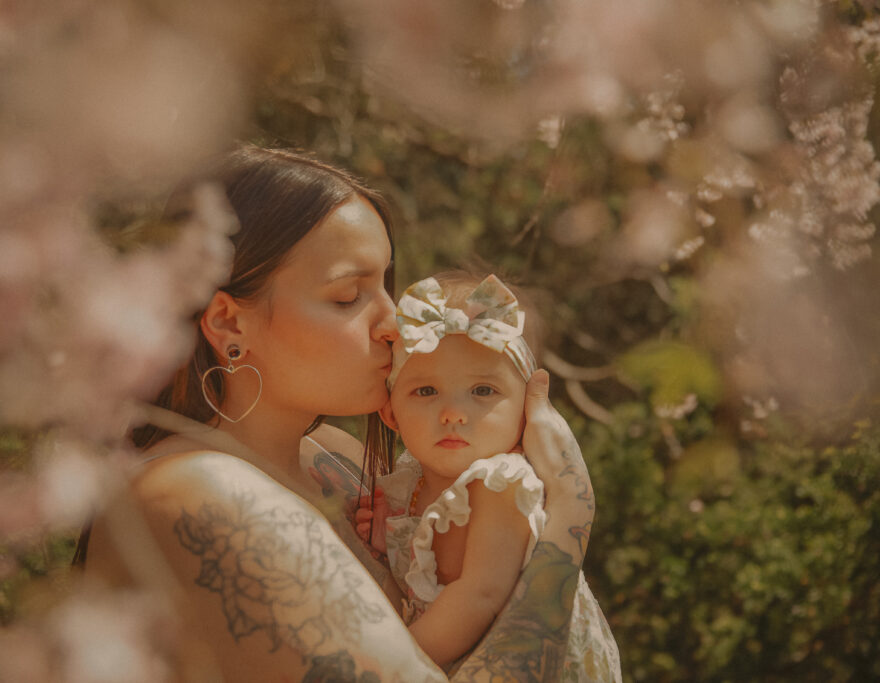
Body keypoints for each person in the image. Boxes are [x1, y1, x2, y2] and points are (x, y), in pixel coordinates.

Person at [78, 145, 601, 681]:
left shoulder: (337, 459)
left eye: (385, 287)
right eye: (348, 296)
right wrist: (568, 522)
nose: (394, 324)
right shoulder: (198, 491)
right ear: (230, 325)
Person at [355, 271, 622, 679]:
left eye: (483, 391)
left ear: (527, 410)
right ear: (391, 413)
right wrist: (386, 544)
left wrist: (391, 665)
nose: (453, 413)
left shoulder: (502, 483)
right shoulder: (409, 484)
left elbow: (480, 594)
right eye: (426, 391)